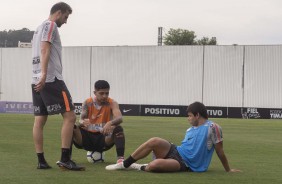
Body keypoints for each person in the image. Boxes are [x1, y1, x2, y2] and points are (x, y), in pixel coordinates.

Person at [105, 102, 241, 173]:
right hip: (177, 151)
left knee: (155, 165)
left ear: (197, 115)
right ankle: (124, 165)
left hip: (186, 165)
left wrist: (228, 169)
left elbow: (220, 151)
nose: (188, 119)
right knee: (154, 141)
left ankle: (138, 166)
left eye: (189, 116)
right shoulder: (190, 129)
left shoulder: (213, 127)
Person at [31, 2, 84, 171]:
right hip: (51, 79)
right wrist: (45, 74)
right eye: (66, 17)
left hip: (35, 79)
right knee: (70, 116)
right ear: (58, 12)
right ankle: (65, 159)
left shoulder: (38, 28)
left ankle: (41, 160)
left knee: (40, 119)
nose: (66, 21)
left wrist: (39, 75)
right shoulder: (50, 25)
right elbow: (45, 49)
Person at [73, 80, 125, 163]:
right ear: (95, 92)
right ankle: (66, 159)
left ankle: (120, 161)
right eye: (101, 93)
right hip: (87, 139)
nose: (104, 96)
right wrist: (83, 122)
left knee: (118, 128)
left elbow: (120, 118)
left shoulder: (112, 103)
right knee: (71, 127)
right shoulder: (87, 103)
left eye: (107, 93)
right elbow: (80, 120)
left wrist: (110, 123)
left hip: (104, 137)